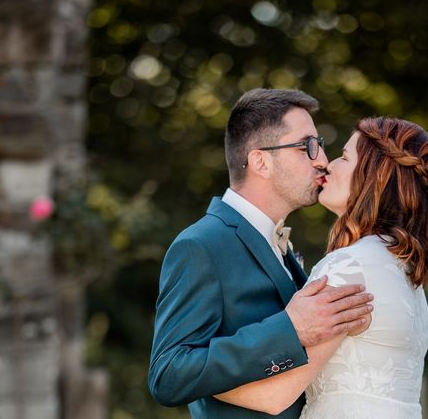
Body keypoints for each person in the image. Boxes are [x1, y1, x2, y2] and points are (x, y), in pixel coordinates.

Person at [214, 116, 428, 418]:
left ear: (374, 176)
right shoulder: (403, 269)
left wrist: (191, 379)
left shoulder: (351, 265)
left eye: (344, 157)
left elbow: (275, 395)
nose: (328, 165)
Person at [148, 88, 375, 419]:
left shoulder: (280, 243)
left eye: (321, 146)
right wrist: (289, 328)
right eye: (308, 147)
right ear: (260, 162)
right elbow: (167, 375)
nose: (322, 161)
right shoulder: (201, 246)